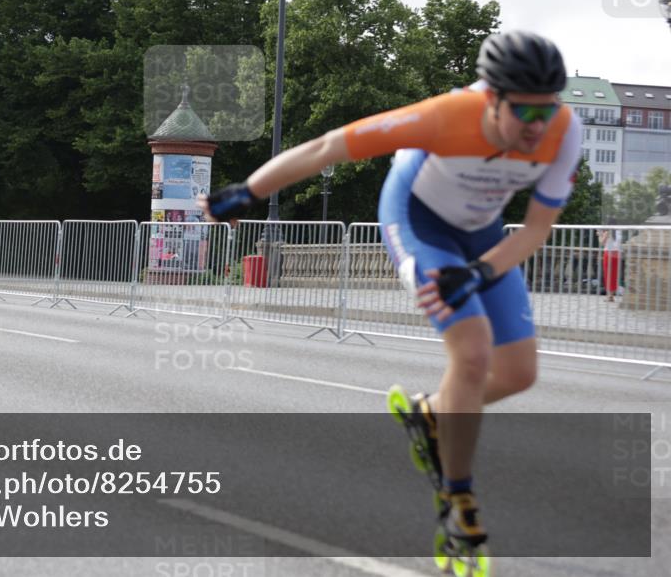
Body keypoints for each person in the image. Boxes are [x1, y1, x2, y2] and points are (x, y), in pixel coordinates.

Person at [198, 31, 580, 550]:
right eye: (526, 115)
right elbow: (328, 146)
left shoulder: (564, 130)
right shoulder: (446, 116)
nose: (539, 128)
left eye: (548, 111)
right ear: (491, 98)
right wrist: (250, 190)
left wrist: (480, 271)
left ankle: (431, 412)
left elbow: (536, 230)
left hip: (483, 233)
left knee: (519, 373)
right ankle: (457, 496)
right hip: (419, 221)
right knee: (472, 353)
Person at [598, 227, 621, 301]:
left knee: (608, 274)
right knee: (614, 274)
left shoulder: (607, 232)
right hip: (617, 253)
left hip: (608, 253)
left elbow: (601, 242)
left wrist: (600, 235)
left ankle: (610, 296)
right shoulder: (618, 231)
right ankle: (611, 295)